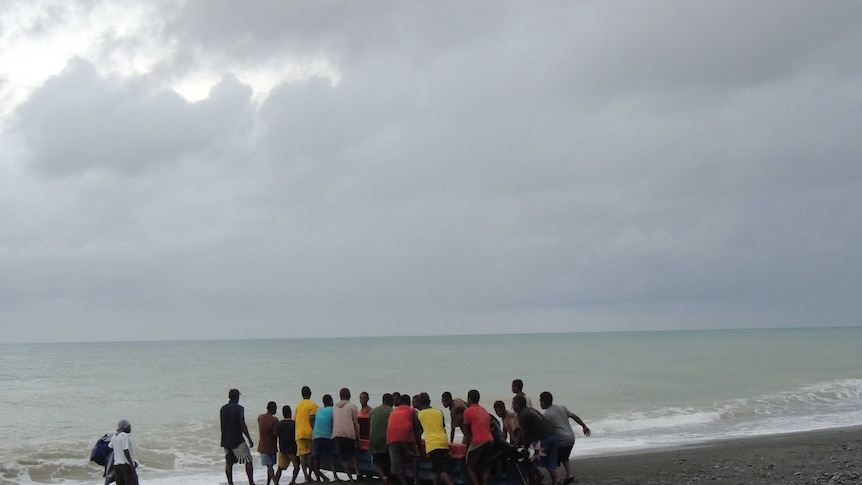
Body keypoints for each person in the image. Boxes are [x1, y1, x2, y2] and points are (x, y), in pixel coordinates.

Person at [539, 392, 591, 484]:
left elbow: (543, 431)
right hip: (571, 438)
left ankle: (556, 478)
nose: (540, 403)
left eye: (540, 401)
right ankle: (569, 474)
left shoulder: (546, 415)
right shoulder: (561, 407)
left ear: (543, 401)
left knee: (548, 458)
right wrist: (584, 426)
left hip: (561, 440)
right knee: (564, 457)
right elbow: (574, 416)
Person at [512, 395, 559, 485]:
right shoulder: (531, 410)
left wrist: (525, 448)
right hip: (552, 436)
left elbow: (525, 434)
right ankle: (556, 479)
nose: (512, 407)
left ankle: (533, 482)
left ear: (518, 405)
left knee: (529, 460)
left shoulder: (523, 415)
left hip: (543, 438)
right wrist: (517, 443)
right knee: (549, 460)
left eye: (513, 405)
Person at [416, 392, 455, 485]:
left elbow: (418, 433)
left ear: (420, 403)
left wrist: (421, 450)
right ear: (429, 401)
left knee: (440, 469)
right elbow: (443, 428)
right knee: (436, 468)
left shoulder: (419, 415)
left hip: (433, 445)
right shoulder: (439, 411)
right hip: (443, 442)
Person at [221, 388, 255, 485]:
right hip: (237, 440)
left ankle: (230, 483)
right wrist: (249, 438)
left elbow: (223, 424)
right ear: (237, 397)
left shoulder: (223, 408)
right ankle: (251, 483)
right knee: (248, 460)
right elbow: (242, 423)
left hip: (226, 440)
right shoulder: (240, 408)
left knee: (229, 462)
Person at [387, 394, 423, 485]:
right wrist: (421, 449)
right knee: (414, 457)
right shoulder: (412, 411)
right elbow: (417, 431)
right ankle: (416, 480)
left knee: (398, 463)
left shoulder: (393, 411)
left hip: (391, 437)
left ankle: (403, 483)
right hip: (405, 434)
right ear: (408, 402)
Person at [461, 389, 494, 485]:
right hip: (490, 440)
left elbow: (467, 434)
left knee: (469, 465)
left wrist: (467, 449)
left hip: (478, 440)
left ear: (469, 399)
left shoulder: (467, 411)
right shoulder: (484, 410)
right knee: (485, 467)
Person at [332, 387, 363, 482]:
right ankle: (357, 472)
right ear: (349, 396)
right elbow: (356, 423)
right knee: (352, 454)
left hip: (337, 434)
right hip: (349, 434)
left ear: (340, 396)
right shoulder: (352, 406)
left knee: (343, 458)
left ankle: (350, 478)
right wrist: (358, 439)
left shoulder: (335, 407)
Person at [312, 394, 339, 482]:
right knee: (330, 457)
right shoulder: (333, 410)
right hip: (327, 436)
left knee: (316, 457)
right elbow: (335, 424)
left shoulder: (319, 411)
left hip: (316, 436)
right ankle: (335, 476)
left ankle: (317, 478)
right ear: (331, 401)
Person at [369, 393, 394, 485]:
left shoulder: (372, 411)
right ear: (390, 401)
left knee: (376, 462)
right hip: (386, 439)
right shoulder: (392, 411)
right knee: (387, 460)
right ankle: (386, 477)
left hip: (373, 439)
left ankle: (383, 477)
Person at [295, 386, 318, 482]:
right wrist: (315, 432)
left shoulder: (298, 405)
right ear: (310, 393)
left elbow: (296, 419)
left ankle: (306, 478)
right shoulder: (312, 405)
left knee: (303, 457)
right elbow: (312, 419)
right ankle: (310, 474)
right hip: (309, 433)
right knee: (312, 455)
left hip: (299, 433)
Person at [276, 405, 301, 485]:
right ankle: (292, 481)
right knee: (297, 467)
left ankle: (276, 482)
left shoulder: (279, 424)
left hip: (283, 449)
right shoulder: (294, 424)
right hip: (293, 450)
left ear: (283, 414)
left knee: (280, 468)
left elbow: (277, 435)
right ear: (290, 413)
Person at [108, 419, 138, 485]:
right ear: (124, 427)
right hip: (126, 466)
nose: (130, 428)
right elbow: (125, 450)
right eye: (129, 426)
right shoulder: (125, 436)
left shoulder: (114, 436)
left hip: (117, 467)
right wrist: (131, 464)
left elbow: (109, 448)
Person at [258, 401, 280, 485]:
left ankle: (268, 483)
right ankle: (275, 483)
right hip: (271, 446)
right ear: (273, 408)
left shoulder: (260, 417)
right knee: (270, 466)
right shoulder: (275, 419)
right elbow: (275, 433)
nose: (276, 410)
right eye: (275, 408)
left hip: (263, 445)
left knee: (269, 466)